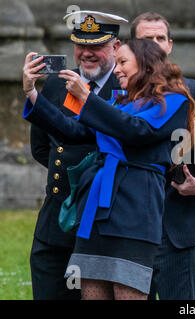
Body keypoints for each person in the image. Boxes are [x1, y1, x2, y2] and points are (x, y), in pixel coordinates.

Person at [23, 37, 195, 299]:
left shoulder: (172, 102)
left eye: (123, 62)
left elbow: (136, 130)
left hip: (134, 211)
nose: (116, 69)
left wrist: (87, 99)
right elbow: (75, 132)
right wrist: (32, 93)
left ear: (146, 64)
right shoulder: (121, 104)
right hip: (95, 211)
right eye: (116, 63)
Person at [131, 12, 195, 300]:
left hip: (173, 221)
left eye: (159, 38)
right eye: (145, 39)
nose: (154, 45)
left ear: (170, 45)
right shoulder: (119, 90)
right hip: (127, 222)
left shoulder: (191, 91)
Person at [26, 10, 125, 300]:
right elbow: (41, 146)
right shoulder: (57, 83)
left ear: (116, 47)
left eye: (97, 46)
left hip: (104, 217)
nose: (87, 54)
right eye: (81, 45)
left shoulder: (126, 85)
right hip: (57, 213)